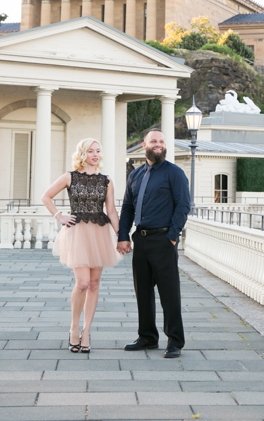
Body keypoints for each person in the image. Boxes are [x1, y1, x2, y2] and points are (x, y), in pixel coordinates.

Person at [116, 129, 191, 358]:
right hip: (141, 239)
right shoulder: (135, 175)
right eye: (154, 141)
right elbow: (128, 207)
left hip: (163, 239)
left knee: (169, 293)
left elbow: (183, 206)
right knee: (143, 292)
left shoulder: (175, 173)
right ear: (144, 145)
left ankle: (175, 341)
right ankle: (147, 337)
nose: (158, 145)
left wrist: (172, 234)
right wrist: (123, 235)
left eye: (161, 141)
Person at [42, 138, 121, 354]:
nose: (95, 154)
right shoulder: (70, 177)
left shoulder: (107, 181)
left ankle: (86, 332)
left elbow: (111, 211)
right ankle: (73, 328)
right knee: (83, 282)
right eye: (90, 151)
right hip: (77, 233)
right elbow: (46, 196)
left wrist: (121, 235)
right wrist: (60, 216)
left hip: (99, 233)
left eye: (97, 151)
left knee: (94, 284)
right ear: (82, 154)